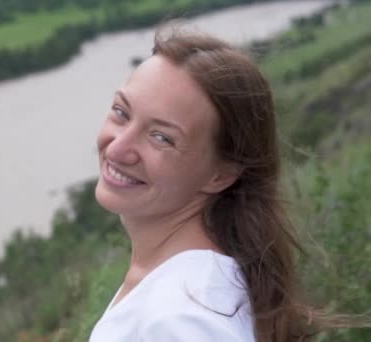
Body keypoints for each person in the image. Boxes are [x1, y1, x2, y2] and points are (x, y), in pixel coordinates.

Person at [89, 29, 325, 342]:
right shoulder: (187, 285)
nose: (117, 148)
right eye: (121, 112)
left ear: (222, 174)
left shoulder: (182, 319)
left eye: (161, 137)